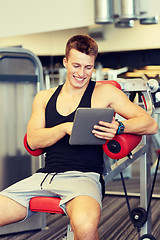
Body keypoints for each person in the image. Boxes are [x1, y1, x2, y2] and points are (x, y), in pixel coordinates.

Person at [0, 35, 158, 240]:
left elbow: (150, 124)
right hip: (43, 177)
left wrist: (120, 126)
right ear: (65, 62)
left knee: (84, 227)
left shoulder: (104, 93)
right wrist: (65, 127)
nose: (82, 74)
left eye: (88, 67)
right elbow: (33, 140)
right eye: (76, 65)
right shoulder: (44, 97)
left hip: (84, 177)